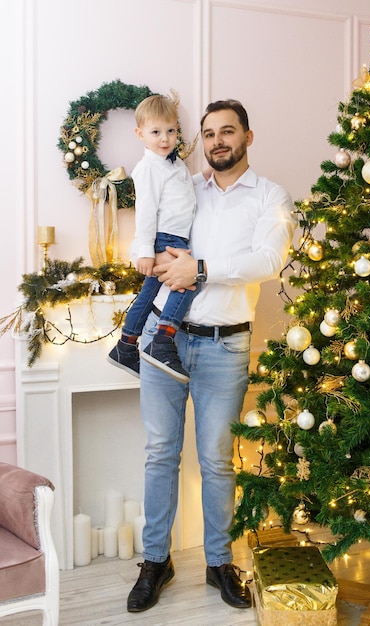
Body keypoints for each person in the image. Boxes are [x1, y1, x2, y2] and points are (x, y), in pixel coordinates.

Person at [127, 99, 296, 613]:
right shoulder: (183, 183)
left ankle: (219, 562)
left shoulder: (271, 196)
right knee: (160, 454)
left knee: (218, 460)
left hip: (226, 344)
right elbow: (152, 225)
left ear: (248, 135)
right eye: (208, 133)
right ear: (197, 140)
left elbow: (267, 260)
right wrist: (149, 258)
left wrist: (200, 269)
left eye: (228, 131)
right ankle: (156, 560)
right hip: (165, 336)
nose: (217, 140)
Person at [108, 94, 197, 383]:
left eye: (171, 131)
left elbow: (183, 193)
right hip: (166, 238)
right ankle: (162, 341)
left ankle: (125, 345)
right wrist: (145, 249)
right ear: (140, 134)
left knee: (148, 294)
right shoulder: (147, 168)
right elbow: (145, 211)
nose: (165, 138)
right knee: (187, 283)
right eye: (156, 132)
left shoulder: (174, 164)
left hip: (175, 235)